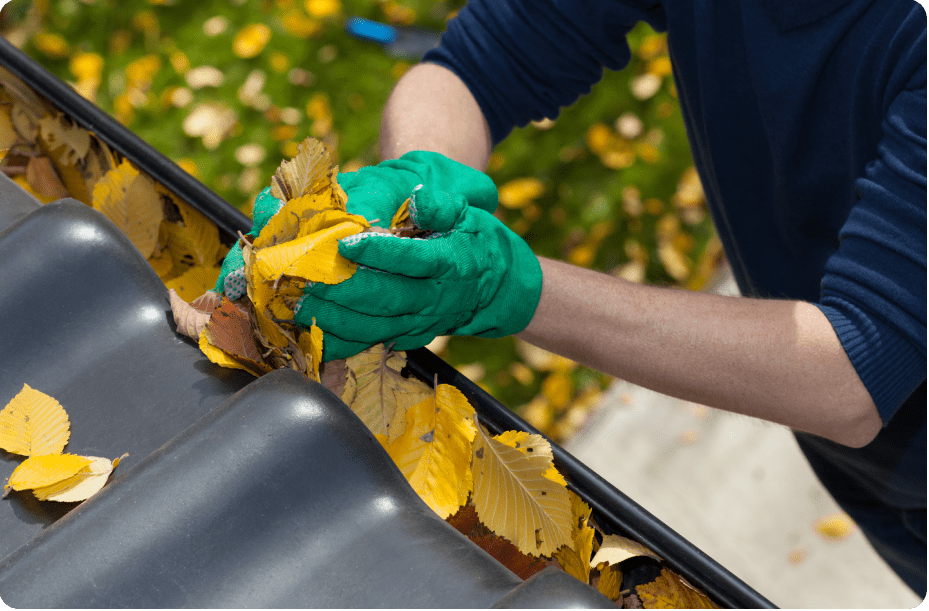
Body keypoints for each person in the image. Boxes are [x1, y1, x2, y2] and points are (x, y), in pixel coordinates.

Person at [217, 0, 927, 595]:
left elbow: (851, 368)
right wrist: (418, 180)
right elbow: (476, 65)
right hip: (876, 474)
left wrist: (509, 285)